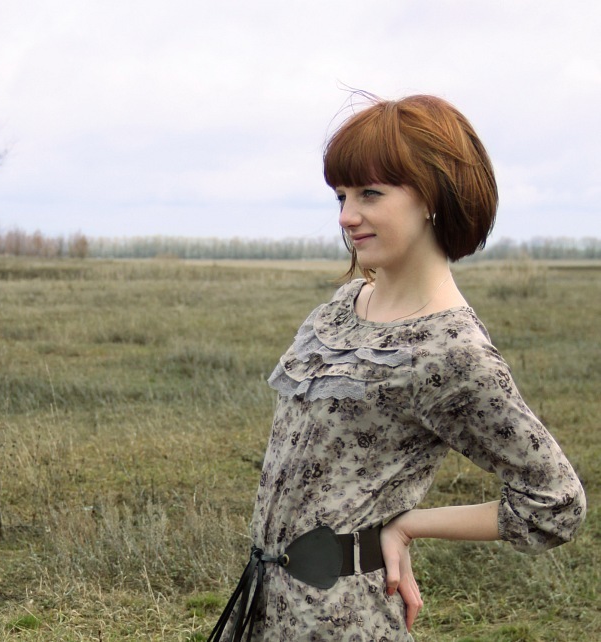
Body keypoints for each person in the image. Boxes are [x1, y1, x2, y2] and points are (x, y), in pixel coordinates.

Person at [208, 94, 586, 642]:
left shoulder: (453, 353)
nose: (346, 215)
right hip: (263, 606)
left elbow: (555, 502)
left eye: (370, 193)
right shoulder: (339, 310)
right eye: (341, 195)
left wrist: (407, 526)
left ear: (431, 197)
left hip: (342, 622)